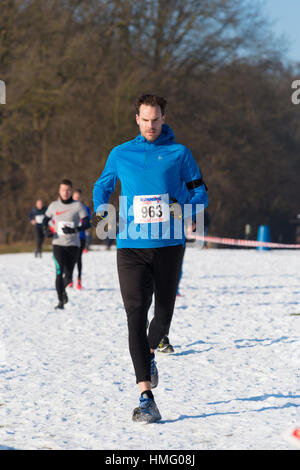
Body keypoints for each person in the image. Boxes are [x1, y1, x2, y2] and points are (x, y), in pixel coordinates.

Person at [92, 94, 208, 423]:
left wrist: (183, 208)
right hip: (130, 245)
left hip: (169, 245)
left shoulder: (180, 154)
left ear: (164, 118)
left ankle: (150, 351)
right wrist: (103, 213)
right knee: (134, 315)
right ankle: (146, 397)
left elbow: (201, 192)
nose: (150, 125)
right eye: (145, 119)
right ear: (137, 119)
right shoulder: (120, 153)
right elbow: (102, 188)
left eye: (156, 119)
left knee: (163, 316)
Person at [43, 179, 90, 309]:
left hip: (73, 245)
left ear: (71, 191)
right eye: (63, 189)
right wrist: (45, 231)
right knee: (58, 272)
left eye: (68, 190)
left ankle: (63, 291)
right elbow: (45, 220)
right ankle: (60, 301)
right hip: (58, 244)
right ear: (59, 191)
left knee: (68, 278)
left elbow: (87, 223)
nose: (66, 192)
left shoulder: (78, 206)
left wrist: (74, 230)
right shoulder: (53, 206)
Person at [71, 189, 91, 290]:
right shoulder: (68, 208)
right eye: (75, 197)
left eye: (78, 197)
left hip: (81, 238)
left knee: (78, 259)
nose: (77, 199)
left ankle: (79, 279)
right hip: (69, 238)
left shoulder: (85, 208)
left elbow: (89, 223)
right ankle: (69, 278)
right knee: (69, 259)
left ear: (81, 198)